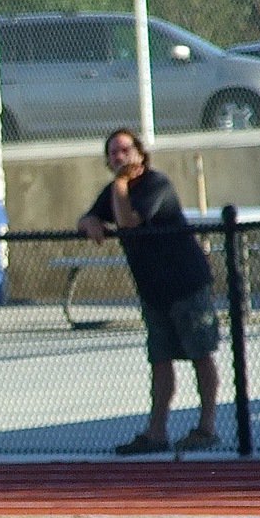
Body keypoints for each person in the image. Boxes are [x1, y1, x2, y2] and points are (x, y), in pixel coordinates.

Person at [77, 128, 220, 454]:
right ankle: (156, 433)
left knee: (200, 353)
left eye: (125, 150)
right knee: (160, 358)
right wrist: (89, 221)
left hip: (186, 284)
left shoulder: (156, 185)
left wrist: (120, 183)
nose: (119, 156)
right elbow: (87, 217)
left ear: (140, 154)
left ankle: (207, 428)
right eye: (113, 152)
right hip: (154, 292)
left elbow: (129, 221)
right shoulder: (113, 191)